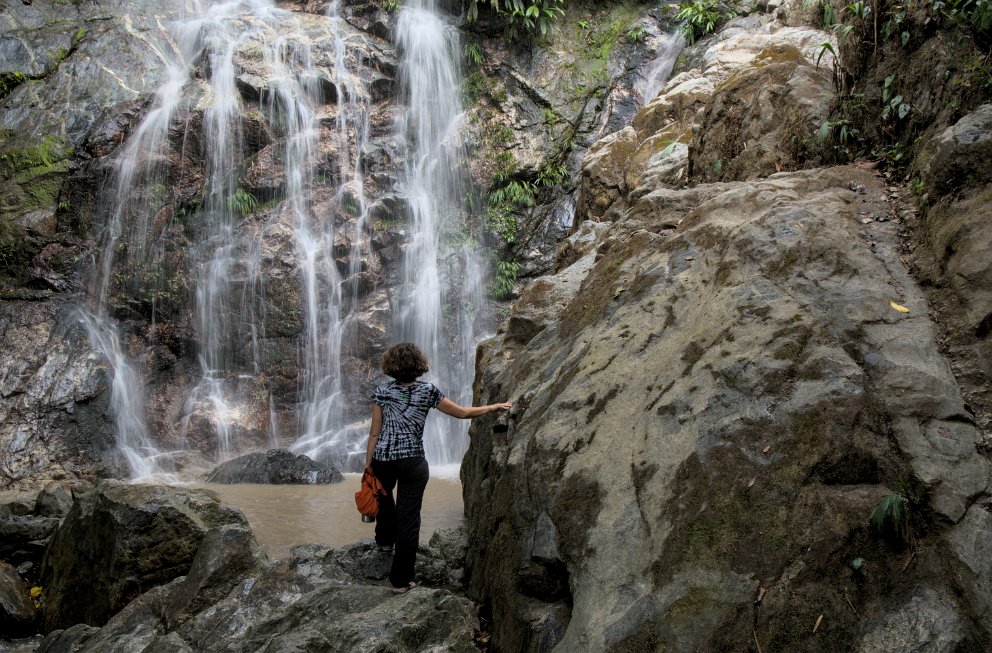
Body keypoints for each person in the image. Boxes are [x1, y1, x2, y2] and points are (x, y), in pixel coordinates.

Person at [364, 342, 512, 593]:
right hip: (413, 461)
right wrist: (493, 407)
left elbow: (374, 432)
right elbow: (463, 413)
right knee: (408, 519)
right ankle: (400, 582)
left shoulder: (382, 392)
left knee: (384, 501)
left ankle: (385, 543)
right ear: (419, 365)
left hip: (384, 458)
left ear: (390, 366)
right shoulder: (428, 391)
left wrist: (368, 465)